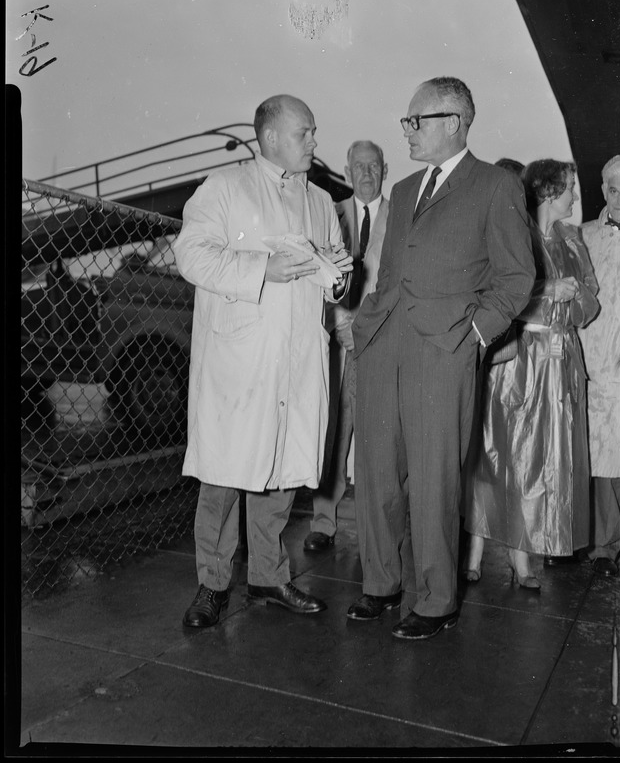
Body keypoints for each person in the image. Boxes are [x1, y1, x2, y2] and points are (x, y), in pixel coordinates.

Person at [347, 76, 536, 640]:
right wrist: (365, 327)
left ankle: (435, 601)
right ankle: (380, 585)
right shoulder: (403, 190)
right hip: (383, 345)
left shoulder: (496, 185)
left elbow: (516, 278)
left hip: (444, 351)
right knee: (377, 475)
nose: (407, 130)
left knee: (432, 481)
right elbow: (387, 273)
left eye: (416, 121)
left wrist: (473, 336)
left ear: (453, 122)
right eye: (406, 121)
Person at [174, 94, 353, 627]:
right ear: (272, 137)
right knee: (226, 476)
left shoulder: (321, 201)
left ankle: (269, 577)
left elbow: (336, 274)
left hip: (296, 359)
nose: (314, 143)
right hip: (241, 362)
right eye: (306, 134)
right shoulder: (224, 188)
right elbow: (192, 254)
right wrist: (262, 268)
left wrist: (338, 277)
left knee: (279, 474)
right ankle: (212, 586)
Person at [463, 159, 600, 589]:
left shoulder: (573, 240)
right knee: (503, 454)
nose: (575, 197)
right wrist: (546, 294)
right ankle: (476, 549)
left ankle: (526, 553)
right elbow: (496, 296)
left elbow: (590, 305)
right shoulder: (515, 236)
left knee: (548, 461)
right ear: (547, 192)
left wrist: (574, 298)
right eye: (569, 189)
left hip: (561, 363)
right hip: (520, 362)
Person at [304, 141, 389, 552]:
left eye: (373, 165)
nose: (367, 173)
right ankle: (323, 522)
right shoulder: (329, 214)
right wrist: (340, 323)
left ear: (384, 170)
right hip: (338, 344)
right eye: (359, 166)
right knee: (332, 432)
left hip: (379, 343)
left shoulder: (401, 218)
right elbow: (317, 278)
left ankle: (376, 531)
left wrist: (366, 325)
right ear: (348, 170)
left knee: (378, 436)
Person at [578, 155, 620, 577]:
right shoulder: (585, 237)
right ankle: (603, 547)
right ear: (603, 190)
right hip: (593, 366)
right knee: (600, 459)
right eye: (613, 188)